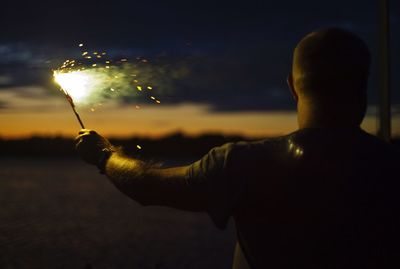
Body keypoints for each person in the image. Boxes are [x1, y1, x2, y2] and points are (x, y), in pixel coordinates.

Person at [75, 28, 399, 269]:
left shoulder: (245, 165)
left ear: (291, 86)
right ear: (362, 85)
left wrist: (104, 155)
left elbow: (146, 187)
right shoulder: (390, 169)